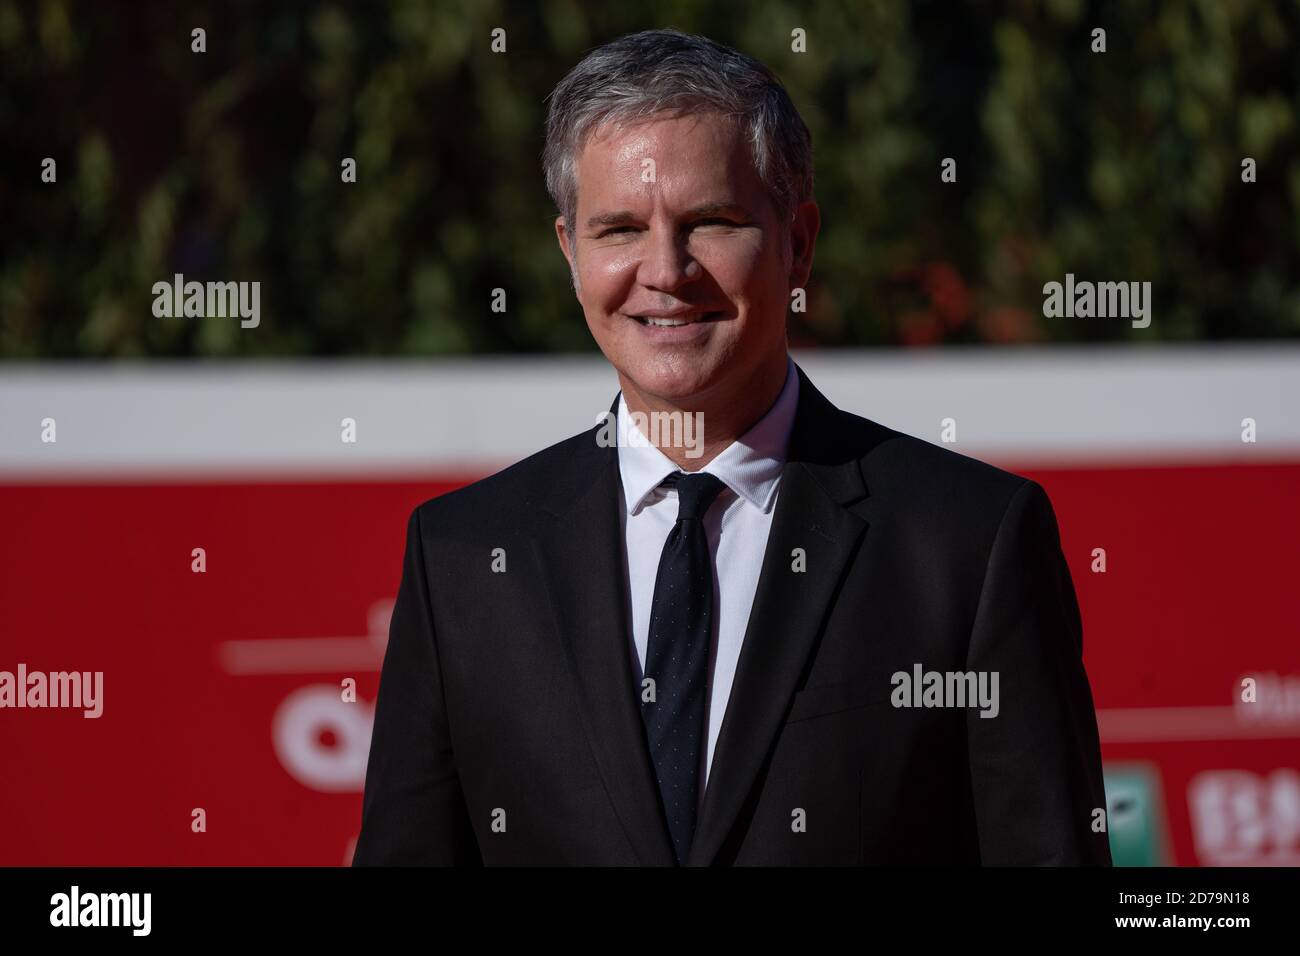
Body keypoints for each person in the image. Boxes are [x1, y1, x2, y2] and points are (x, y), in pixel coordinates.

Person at [353, 28, 1111, 866]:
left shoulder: (968, 543)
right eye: (618, 231)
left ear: (799, 244)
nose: (666, 270)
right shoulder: (462, 557)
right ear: (569, 253)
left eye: (710, 222)